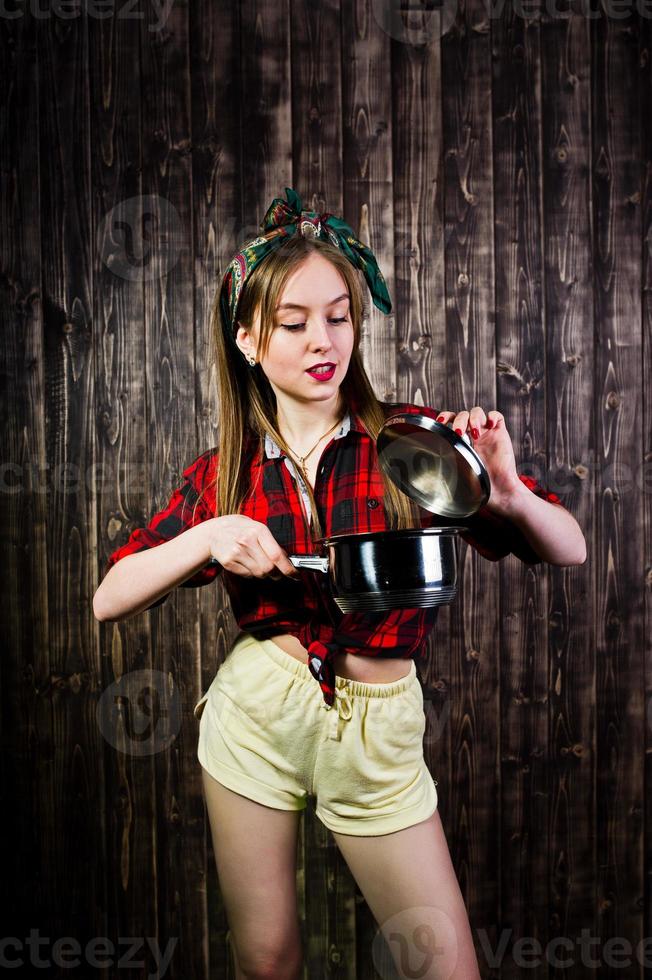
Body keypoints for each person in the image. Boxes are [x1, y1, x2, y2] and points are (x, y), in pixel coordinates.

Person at [93, 188, 587, 980]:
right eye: (294, 323)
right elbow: (109, 597)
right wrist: (211, 536)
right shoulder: (225, 475)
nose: (324, 341)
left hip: (375, 732)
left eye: (340, 317)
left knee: (444, 968)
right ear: (250, 340)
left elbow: (570, 549)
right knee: (267, 960)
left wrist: (504, 490)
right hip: (257, 717)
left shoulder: (409, 444)